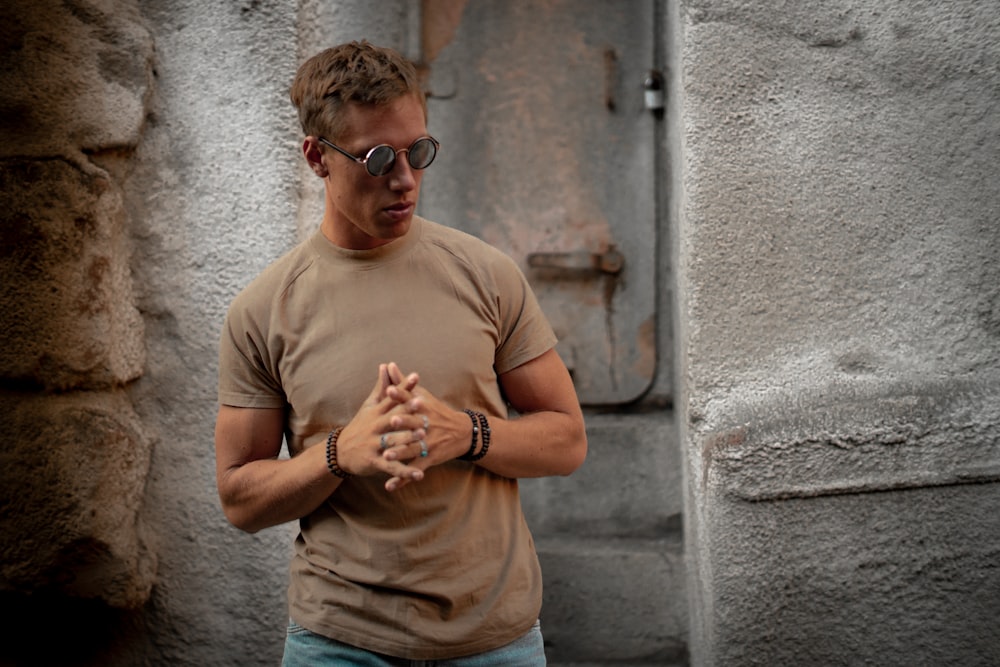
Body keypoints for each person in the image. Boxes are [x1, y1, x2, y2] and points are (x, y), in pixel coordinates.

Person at [214, 41, 587, 665]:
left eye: (418, 152)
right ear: (317, 158)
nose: (405, 178)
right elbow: (240, 499)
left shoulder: (485, 274)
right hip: (338, 641)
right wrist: (339, 453)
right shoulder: (263, 311)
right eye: (377, 157)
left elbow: (567, 440)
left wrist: (467, 434)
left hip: (494, 638)